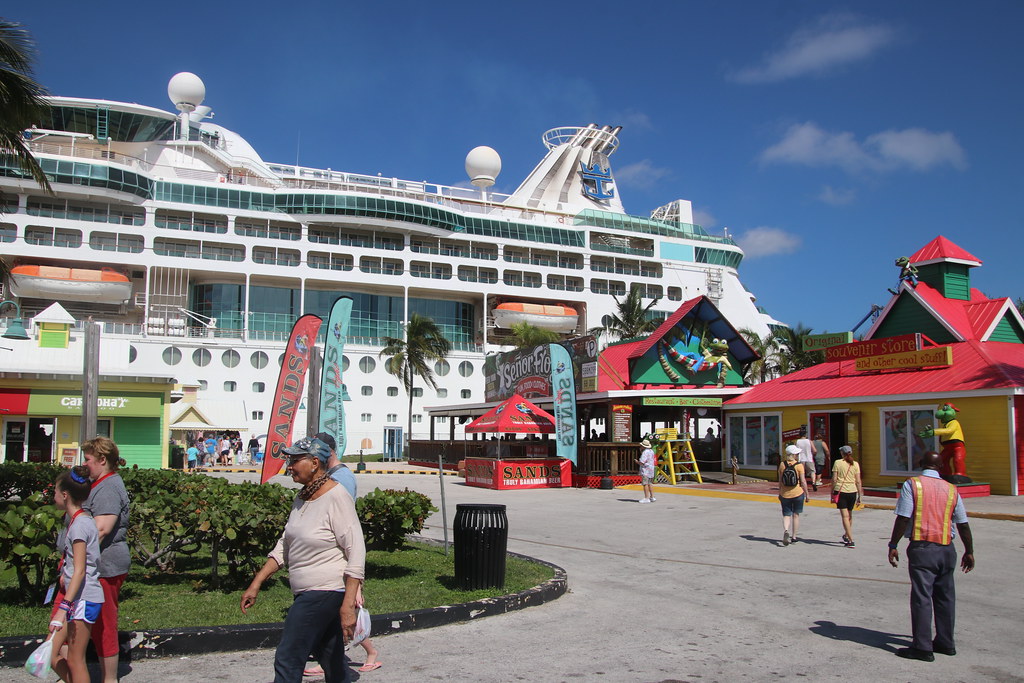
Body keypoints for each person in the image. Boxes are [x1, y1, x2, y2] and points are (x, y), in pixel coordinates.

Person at [241, 436, 366, 682]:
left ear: (315, 463)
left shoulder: (336, 496)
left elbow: (356, 551)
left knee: (288, 656)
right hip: (310, 591)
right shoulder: (302, 498)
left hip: (323, 590)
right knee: (331, 658)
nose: (290, 466)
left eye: (296, 460)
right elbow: (284, 546)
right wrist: (256, 583)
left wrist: (348, 605)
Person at [51, 437, 130, 683]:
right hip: (81, 570)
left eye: (87, 459)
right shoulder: (98, 484)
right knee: (65, 633)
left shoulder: (109, 486)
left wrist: (74, 549)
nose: (84, 463)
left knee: (103, 628)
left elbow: (102, 528)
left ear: (102, 460)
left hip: (103, 569)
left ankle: (109, 679)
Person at [887, 450, 974, 662]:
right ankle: (945, 642)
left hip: (923, 549)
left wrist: (893, 544)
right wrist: (969, 551)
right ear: (941, 466)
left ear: (920, 463)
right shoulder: (951, 489)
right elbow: (962, 523)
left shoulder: (913, 484)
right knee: (945, 597)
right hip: (947, 548)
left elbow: (903, 518)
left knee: (922, 598)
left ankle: (922, 647)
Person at [50, 465, 105, 683]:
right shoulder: (80, 521)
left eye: (55, 491)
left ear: (65, 495)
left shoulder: (79, 526)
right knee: (51, 652)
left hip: (83, 598)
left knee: (74, 659)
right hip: (78, 597)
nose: (53, 496)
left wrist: (63, 608)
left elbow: (80, 569)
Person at [831, 445, 863, 547]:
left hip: (841, 491)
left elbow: (834, 479)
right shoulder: (856, 464)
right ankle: (846, 535)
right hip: (852, 491)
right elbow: (858, 481)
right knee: (850, 515)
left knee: (845, 516)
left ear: (842, 453)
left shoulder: (838, 463)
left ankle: (850, 539)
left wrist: (832, 491)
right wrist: (859, 496)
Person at [778, 445, 809, 545]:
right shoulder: (799, 466)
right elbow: (803, 481)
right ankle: (794, 537)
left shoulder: (782, 465)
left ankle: (786, 530)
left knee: (786, 515)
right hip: (798, 493)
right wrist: (807, 494)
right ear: (794, 455)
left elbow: (780, 481)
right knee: (796, 515)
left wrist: (780, 492)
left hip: (785, 494)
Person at [636, 438, 656, 504]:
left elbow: (642, 462)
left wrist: (637, 462)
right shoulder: (651, 451)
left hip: (645, 470)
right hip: (651, 469)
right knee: (650, 483)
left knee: (645, 484)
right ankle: (652, 496)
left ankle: (646, 497)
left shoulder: (645, 452)